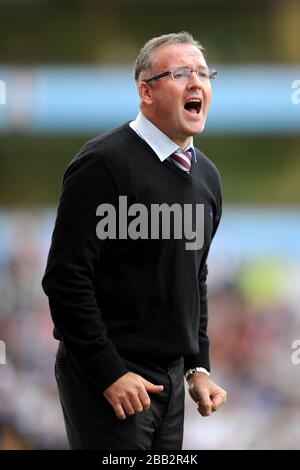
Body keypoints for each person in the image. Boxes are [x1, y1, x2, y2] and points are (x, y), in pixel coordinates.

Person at [42, 31, 227, 450]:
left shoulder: (207, 177)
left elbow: (194, 276)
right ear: (146, 91)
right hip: (111, 377)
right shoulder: (102, 165)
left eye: (203, 72)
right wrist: (109, 372)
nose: (197, 82)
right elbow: (65, 279)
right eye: (181, 73)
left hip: (172, 381)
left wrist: (198, 366)